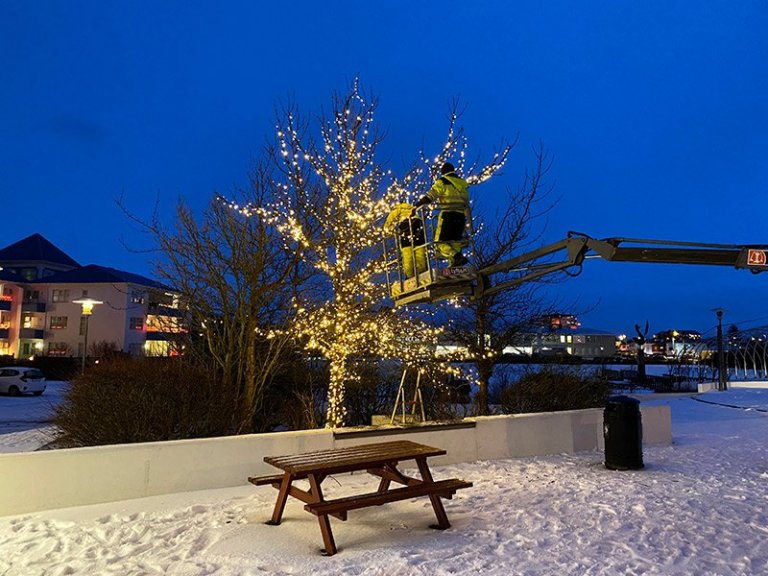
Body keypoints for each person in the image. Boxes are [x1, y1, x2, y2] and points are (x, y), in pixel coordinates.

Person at [412, 162, 469, 267]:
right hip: (460, 216)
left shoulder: (442, 181)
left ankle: (456, 257)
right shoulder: (463, 184)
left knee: (439, 243)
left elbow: (430, 196)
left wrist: (417, 206)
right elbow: (466, 203)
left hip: (447, 215)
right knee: (455, 242)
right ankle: (456, 266)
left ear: (443, 171)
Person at [384, 202, 428, 278]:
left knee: (407, 254)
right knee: (420, 251)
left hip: (406, 228)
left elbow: (389, 221)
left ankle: (409, 275)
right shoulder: (413, 209)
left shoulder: (398, 209)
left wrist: (386, 229)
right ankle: (422, 272)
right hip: (418, 227)